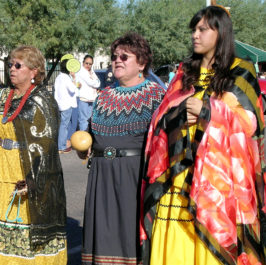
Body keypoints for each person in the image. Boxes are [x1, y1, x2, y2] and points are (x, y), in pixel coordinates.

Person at [141, 6, 266, 265]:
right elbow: (159, 121)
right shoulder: (184, 74)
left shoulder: (240, 72)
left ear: (220, 33)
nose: (195, 35)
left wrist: (209, 111)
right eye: (193, 30)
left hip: (217, 184)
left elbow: (250, 124)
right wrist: (176, 118)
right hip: (176, 177)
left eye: (202, 29)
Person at [0, 45, 67, 264]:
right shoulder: (2, 95)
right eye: (10, 64)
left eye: (18, 65)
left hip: (23, 171)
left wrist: (34, 178)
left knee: (20, 227)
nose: (12, 69)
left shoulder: (42, 100)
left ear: (34, 71)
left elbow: (46, 145)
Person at [79, 32, 165, 265]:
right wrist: (84, 146)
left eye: (125, 56)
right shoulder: (103, 96)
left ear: (142, 63)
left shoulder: (157, 95)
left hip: (134, 177)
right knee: (102, 235)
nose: (117, 60)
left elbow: (165, 142)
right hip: (101, 176)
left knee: (129, 237)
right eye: (115, 56)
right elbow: (90, 133)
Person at [54, 58, 78, 153]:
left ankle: (60, 145)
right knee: (64, 125)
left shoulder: (58, 77)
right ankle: (61, 146)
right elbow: (72, 89)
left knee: (62, 125)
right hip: (67, 104)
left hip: (59, 104)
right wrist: (74, 79)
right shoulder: (66, 78)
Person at [76, 55, 100, 131]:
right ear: (83, 62)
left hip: (92, 99)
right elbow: (93, 83)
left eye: (90, 64)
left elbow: (98, 83)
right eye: (87, 63)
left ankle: (88, 138)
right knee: (83, 120)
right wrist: (95, 82)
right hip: (83, 99)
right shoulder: (81, 72)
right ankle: (83, 139)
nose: (88, 65)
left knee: (90, 120)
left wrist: (95, 82)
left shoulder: (91, 72)